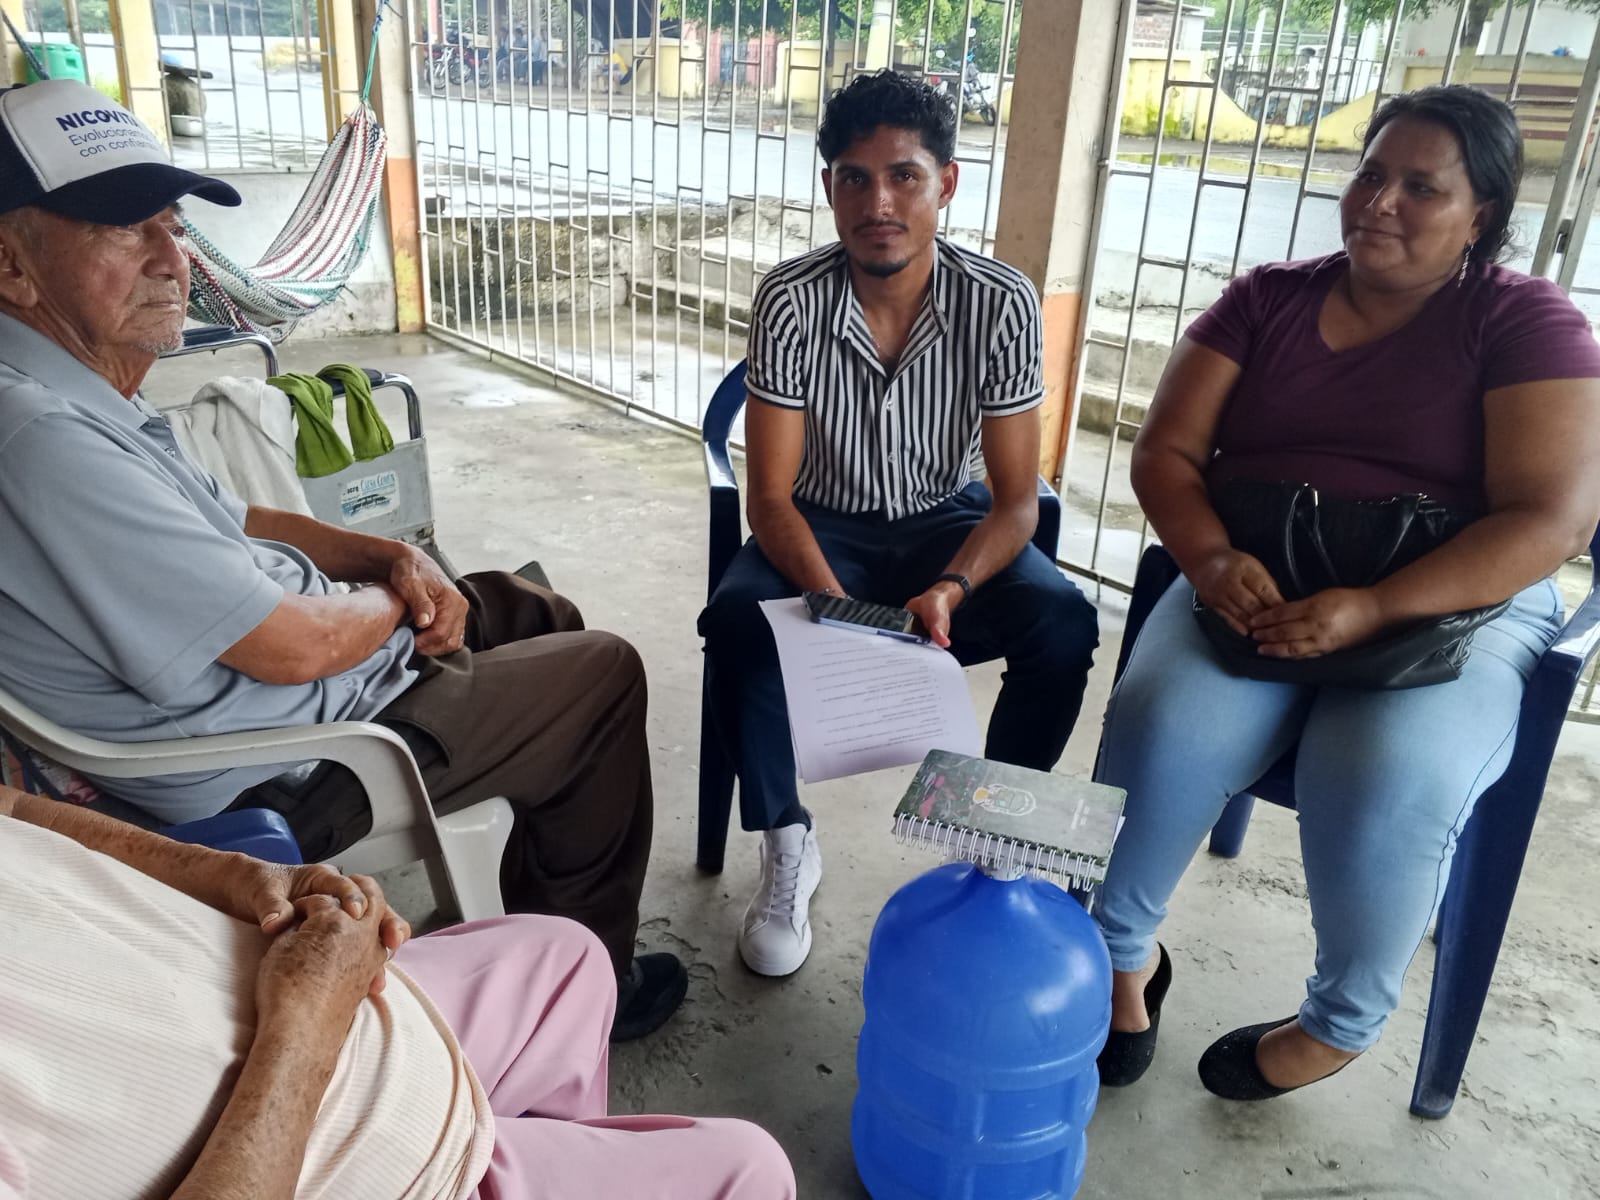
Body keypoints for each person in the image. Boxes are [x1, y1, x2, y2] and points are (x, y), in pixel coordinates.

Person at [0, 79, 683, 1041]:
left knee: (530, 610)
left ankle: (532, 927)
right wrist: (396, 596)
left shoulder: (76, 385)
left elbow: (233, 516)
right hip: (276, 764)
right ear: (12, 265)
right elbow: (293, 647)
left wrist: (390, 552)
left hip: (304, 685)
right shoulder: (41, 436)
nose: (172, 257)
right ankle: (579, 999)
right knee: (601, 673)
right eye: (122, 228)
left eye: (172, 223)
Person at [1093, 85, 1600, 1099]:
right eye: (1370, 174)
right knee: (1162, 722)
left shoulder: (1523, 321)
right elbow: (1166, 452)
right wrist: (1208, 559)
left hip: (1451, 608)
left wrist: (1374, 607)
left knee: (1379, 771)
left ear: (1482, 214)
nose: (1379, 202)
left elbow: (1550, 520)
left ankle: (1337, 1025)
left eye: (1422, 187)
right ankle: (1119, 959)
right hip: (1259, 584)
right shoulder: (1265, 300)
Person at [698, 70, 1099, 978]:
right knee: (737, 625)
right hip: (821, 525)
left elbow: (1016, 500)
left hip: (946, 527)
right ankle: (788, 842)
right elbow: (770, 499)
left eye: (904, 176)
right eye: (854, 177)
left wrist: (953, 585)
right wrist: (835, 608)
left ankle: (995, 836)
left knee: (1064, 623)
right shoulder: (790, 300)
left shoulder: (1001, 301)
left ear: (945, 183)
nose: (878, 203)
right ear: (829, 186)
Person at [0, 783, 798, 1200]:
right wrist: (308, 1022)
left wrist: (233, 874)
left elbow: (9, 805)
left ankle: (510, 1146)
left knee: (570, 961)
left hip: (286, 997)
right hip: (310, 1134)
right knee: (746, 1172)